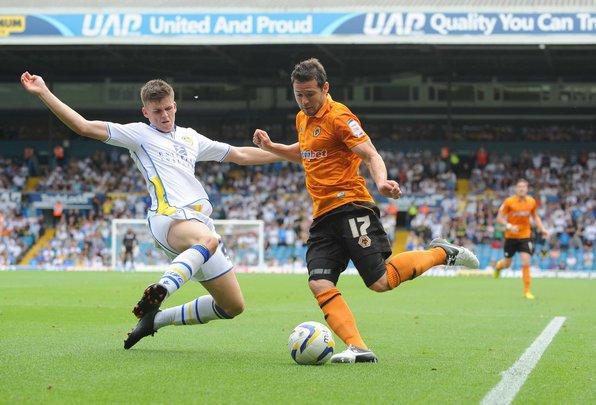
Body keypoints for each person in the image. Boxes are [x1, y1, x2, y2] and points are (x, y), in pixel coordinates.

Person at [21, 71, 282, 349]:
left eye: (168, 108)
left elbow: (240, 155)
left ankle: (154, 320)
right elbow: (83, 126)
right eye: (157, 111)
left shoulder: (191, 138)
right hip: (168, 220)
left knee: (232, 306)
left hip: (198, 222)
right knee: (209, 240)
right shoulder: (139, 134)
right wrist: (44, 92)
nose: (165, 115)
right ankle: (163, 288)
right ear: (145, 112)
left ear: (175, 106)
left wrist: (295, 154)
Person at [253, 58, 479, 363]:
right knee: (319, 281)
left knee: (380, 281)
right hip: (322, 216)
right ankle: (358, 348)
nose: (305, 101)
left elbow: (370, 153)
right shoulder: (302, 119)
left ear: (325, 88)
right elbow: (305, 153)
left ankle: (442, 253)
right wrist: (272, 147)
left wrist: (382, 182)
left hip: (351, 207)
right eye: (299, 95)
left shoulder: (340, 117)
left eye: (310, 94)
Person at [494, 179, 549, 299]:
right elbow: (499, 218)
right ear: (516, 189)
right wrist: (509, 226)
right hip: (511, 236)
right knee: (507, 263)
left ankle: (527, 291)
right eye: (519, 187)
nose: (522, 189)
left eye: (524, 187)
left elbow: (535, 216)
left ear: (527, 189)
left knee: (526, 261)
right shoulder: (509, 202)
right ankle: (499, 266)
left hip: (525, 236)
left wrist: (542, 229)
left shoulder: (531, 202)